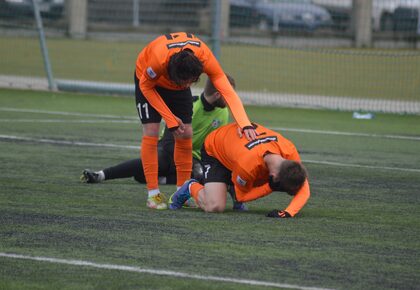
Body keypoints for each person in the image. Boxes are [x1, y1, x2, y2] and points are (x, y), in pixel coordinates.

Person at [81, 76, 246, 210]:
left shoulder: (223, 112)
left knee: (205, 175)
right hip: (170, 147)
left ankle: (163, 179)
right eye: (229, 93)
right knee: (161, 161)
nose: (232, 98)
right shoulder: (192, 106)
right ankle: (101, 175)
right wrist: (184, 160)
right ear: (218, 94)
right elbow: (170, 135)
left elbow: (215, 143)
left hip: (195, 157)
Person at [134, 32, 257, 211]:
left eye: (190, 83)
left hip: (176, 76)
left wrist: (244, 123)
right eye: (184, 83)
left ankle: (181, 191)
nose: (186, 87)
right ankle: (153, 194)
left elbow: (228, 92)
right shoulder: (157, 61)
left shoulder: (205, 57)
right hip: (147, 81)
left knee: (185, 133)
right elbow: (146, 86)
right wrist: (170, 119)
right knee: (151, 131)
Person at [169, 123, 310, 218]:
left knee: (256, 177)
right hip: (216, 149)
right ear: (275, 176)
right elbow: (241, 197)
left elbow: (304, 187)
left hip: (237, 151)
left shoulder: (289, 150)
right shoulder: (248, 166)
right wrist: (269, 187)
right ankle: (190, 186)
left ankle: (232, 182)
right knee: (215, 206)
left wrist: (287, 213)